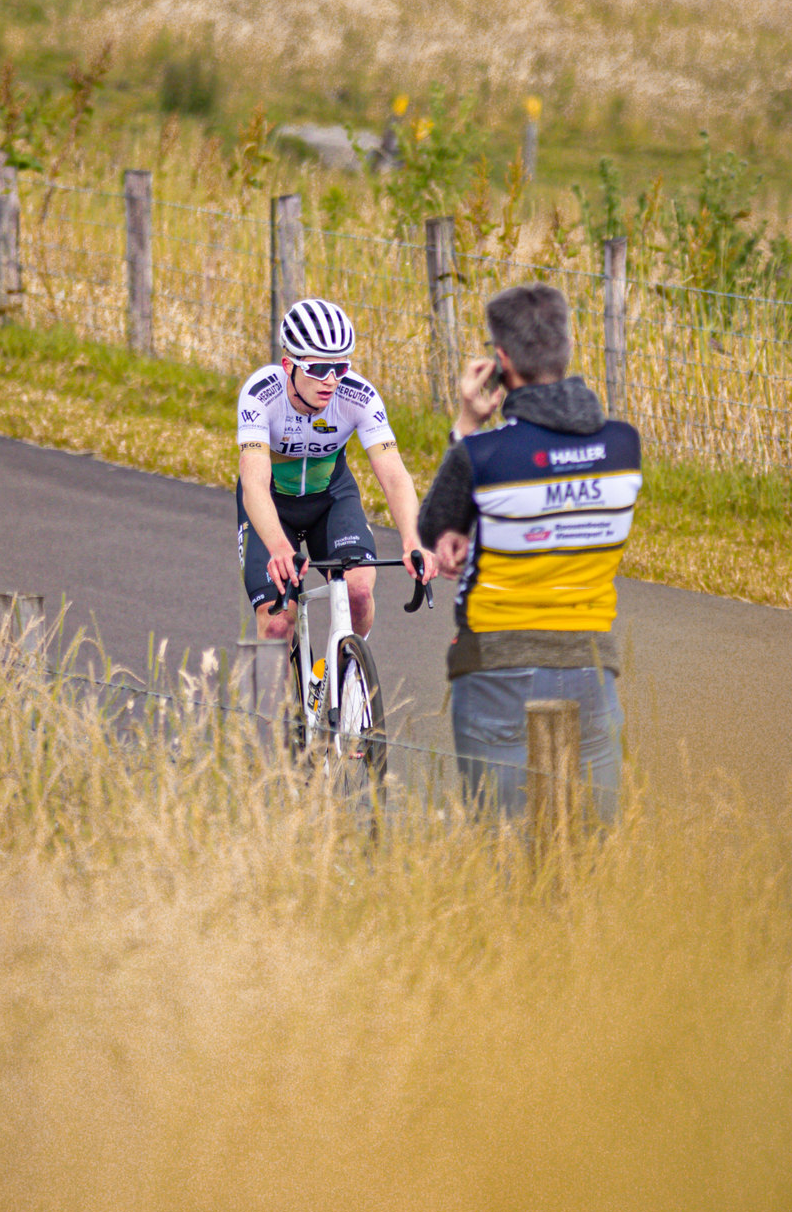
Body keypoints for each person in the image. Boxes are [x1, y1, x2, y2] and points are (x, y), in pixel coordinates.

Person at [416, 280, 642, 820]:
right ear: (565, 350)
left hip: (497, 665)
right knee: (591, 851)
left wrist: (468, 422)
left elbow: (434, 528)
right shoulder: (623, 446)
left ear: (501, 362)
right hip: (591, 666)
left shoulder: (482, 455)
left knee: (503, 849)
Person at [237, 298, 433, 643]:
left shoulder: (359, 397)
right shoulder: (259, 396)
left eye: (340, 368)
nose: (330, 380)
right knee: (278, 624)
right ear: (288, 365)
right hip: (271, 506)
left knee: (358, 592)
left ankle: (345, 681)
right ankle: (274, 700)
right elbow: (253, 484)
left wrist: (413, 540)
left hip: (330, 500)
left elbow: (394, 476)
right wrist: (280, 548)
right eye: (317, 369)